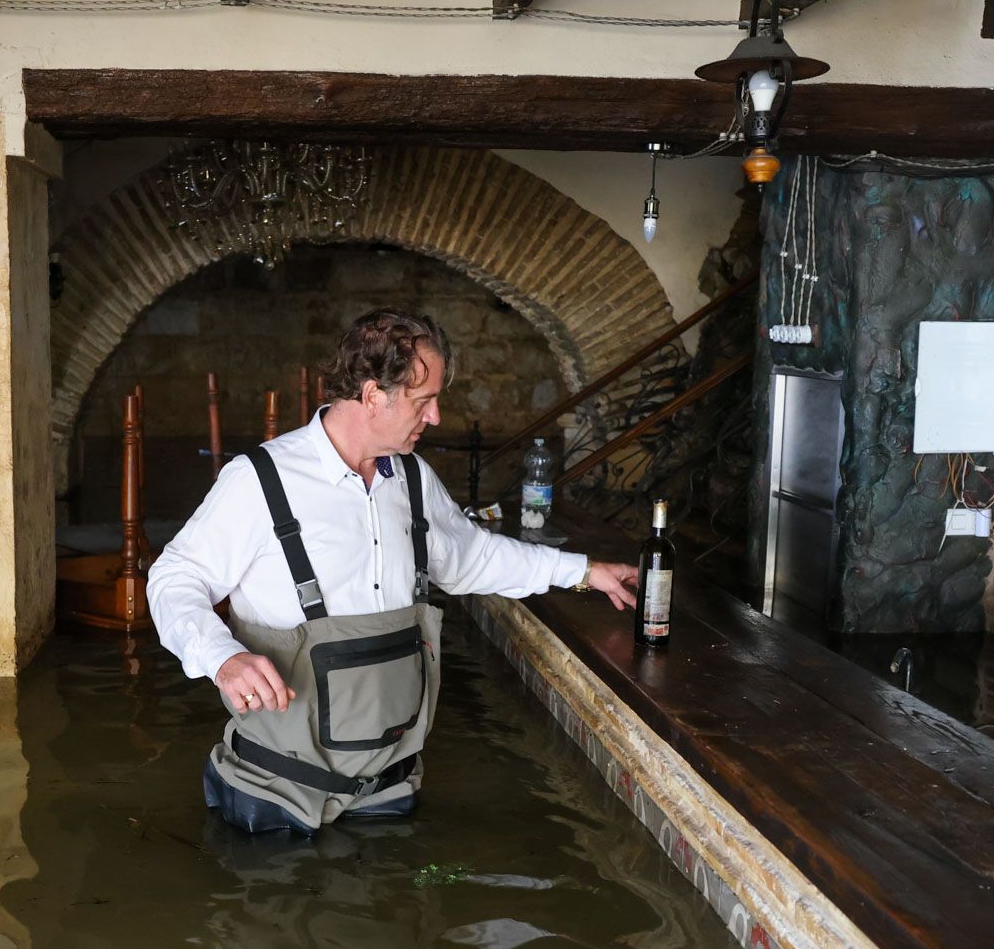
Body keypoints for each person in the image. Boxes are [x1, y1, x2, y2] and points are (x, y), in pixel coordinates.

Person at [146, 308, 639, 834]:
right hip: (276, 794)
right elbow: (174, 578)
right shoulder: (258, 480)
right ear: (373, 395)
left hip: (388, 794)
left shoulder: (413, 478)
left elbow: (473, 557)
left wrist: (585, 571)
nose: (436, 417)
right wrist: (222, 658)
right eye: (423, 401)